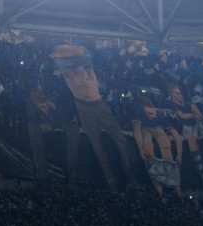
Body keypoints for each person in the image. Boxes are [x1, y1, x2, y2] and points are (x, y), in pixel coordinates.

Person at [50, 45, 140, 192]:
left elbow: (83, 54)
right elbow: (55, 55)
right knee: (97, 146)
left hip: (98, 105)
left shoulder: (87, 68)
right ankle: (110, 182)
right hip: (83, 108)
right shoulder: (67, 73)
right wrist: (66, 52)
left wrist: (73, 50)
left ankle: (129, 174)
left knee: (120, 140)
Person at [132, 94, 182, 200]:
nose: (153, 116)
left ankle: (176, 188)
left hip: (157, 127)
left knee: (165, 143)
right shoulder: (139, 113)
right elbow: (137, 131)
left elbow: (177, 136)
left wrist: (179, 155)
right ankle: (160, 193)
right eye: (150, 114)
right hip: (144, 128)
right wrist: (141, 149)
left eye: (154, 113)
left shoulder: (159, 116)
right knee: (148, 146)